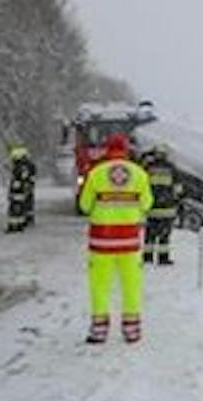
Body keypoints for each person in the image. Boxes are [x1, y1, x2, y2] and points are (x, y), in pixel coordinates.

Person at [78, 132, 153, 344]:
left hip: (101, 241)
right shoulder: (139, 174)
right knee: (131, 285)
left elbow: (85, 205)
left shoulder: (96, 173)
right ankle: (131, 330)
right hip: (129, 241)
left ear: (107, 150)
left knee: (100, 286)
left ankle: (99, 331)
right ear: (127, 150)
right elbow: (147, 204)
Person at [141, 143, 184, 265]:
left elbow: (142, 186)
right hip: (167, 208)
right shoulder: (172, 168)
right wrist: (176, 200)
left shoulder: (148, 167)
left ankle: (147, 257)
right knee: (164, 235)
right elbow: (178, 188)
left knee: (150, 235)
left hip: (152, 207)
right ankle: (163, 258)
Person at [6, 144, 37, 232]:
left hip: (17, 191)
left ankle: (13, 226)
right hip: (23, 191)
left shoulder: (18, 168)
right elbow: (29, 178)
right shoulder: (28, 166)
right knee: (22, 207)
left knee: (14, 209)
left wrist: (12, 191)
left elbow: (17, 180)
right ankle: (20, 225)